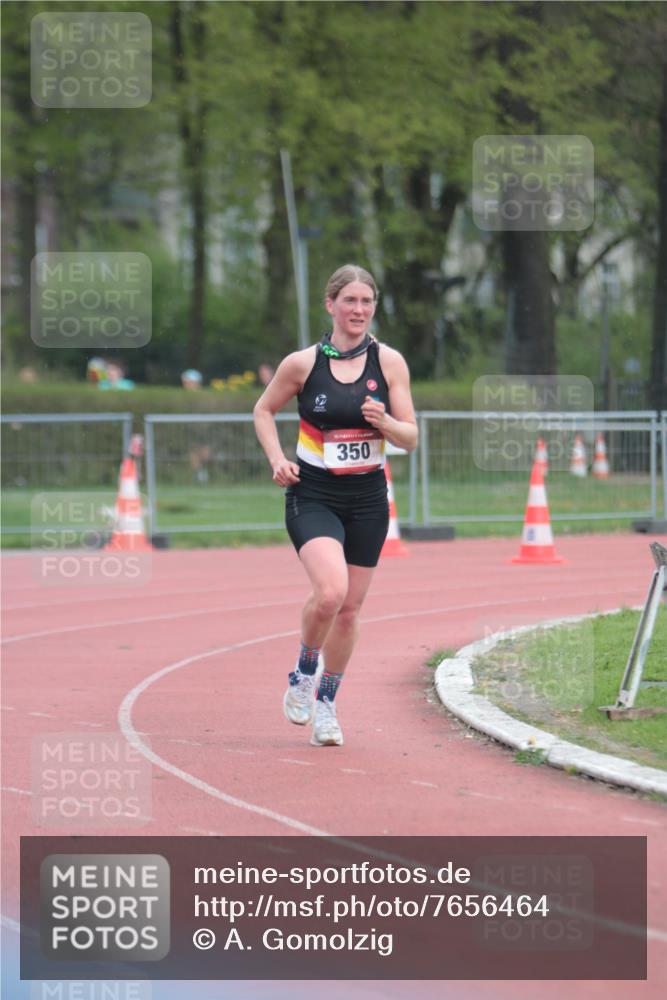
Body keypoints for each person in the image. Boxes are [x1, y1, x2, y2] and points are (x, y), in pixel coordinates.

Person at [253, 264, 418, 747]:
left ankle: (326, 703)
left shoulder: (389, 363)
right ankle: (304, 671)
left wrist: (386, 422)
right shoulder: (302, 364)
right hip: (314, 493)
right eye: (350, 301)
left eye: (367, 302)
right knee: (330, 593)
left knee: (349, 611)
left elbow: (411, 437)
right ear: (330, 305)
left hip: (368, 498)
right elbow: (263, 410)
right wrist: (277, 458)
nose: (359, 310)